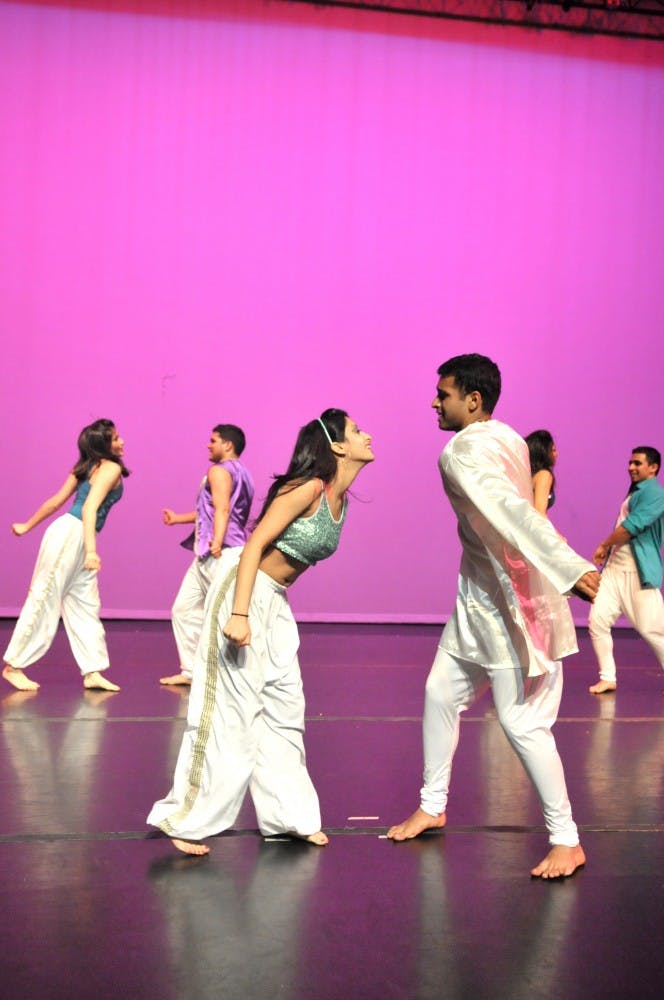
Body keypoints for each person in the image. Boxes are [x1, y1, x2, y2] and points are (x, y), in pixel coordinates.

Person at [387, 354, 600, 879]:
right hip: (478, 597)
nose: (435, 402)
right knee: (441, 692)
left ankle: (567, 840)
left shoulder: (459, 451)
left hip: (510, 604)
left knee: (522, 722)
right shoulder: (507, 436)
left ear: (472, 399)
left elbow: (512, 510)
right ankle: (433, 804)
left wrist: (568, 568)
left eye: (444, 394)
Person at [147, 409, 374, 855]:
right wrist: (239, 613)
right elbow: (251, 547)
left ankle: (290, 818)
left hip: (276, 602)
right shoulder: (307, 488)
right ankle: (184, 819)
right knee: (230, 712)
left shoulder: (341, 500)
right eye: (357, 431)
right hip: (244, 590)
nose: (368, 435)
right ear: (338, 446)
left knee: (285, 706)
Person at [3, 419, 129, 692]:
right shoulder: (110, 468)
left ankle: (93, 670)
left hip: (78, 536)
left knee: (85, 603)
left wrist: (28, 526)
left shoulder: (88, 466)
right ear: (103, 444)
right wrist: (92, 550)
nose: (122, 442)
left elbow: (57, 501)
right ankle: (14, 665)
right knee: (45, 595)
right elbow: (87, 509)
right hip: (72, 535)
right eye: (116, 438)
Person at [159, 424, 254, 687]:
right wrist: (178, 519)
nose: (208, 445)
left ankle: (230, 674)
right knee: (184, 608)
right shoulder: (243, 473)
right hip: (207, 553)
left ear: (228, 445)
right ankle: (191, 671)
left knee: (223, 613)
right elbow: (211, 511)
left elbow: (222, 510)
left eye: (213, 440)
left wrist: (218, 540)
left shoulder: (219, 471)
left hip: (221, 552)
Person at [588, 447, 664, 695]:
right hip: (614, 571)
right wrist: (608, 551)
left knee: (653, 629)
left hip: (636, 572)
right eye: (630, 462)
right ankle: (607, 677)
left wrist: (604, 543)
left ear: (653, 467)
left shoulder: (654, 492)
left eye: (638, 463)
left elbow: (631, 527)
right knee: (597, 621)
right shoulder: (637, 492)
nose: (631, 467)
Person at [525, 429, 558, 517]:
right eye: (553, 450)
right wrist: (552, 531)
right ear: (544, 452)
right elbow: (540, 513)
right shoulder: (544, 475)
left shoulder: (528, 475)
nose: (557, 454)